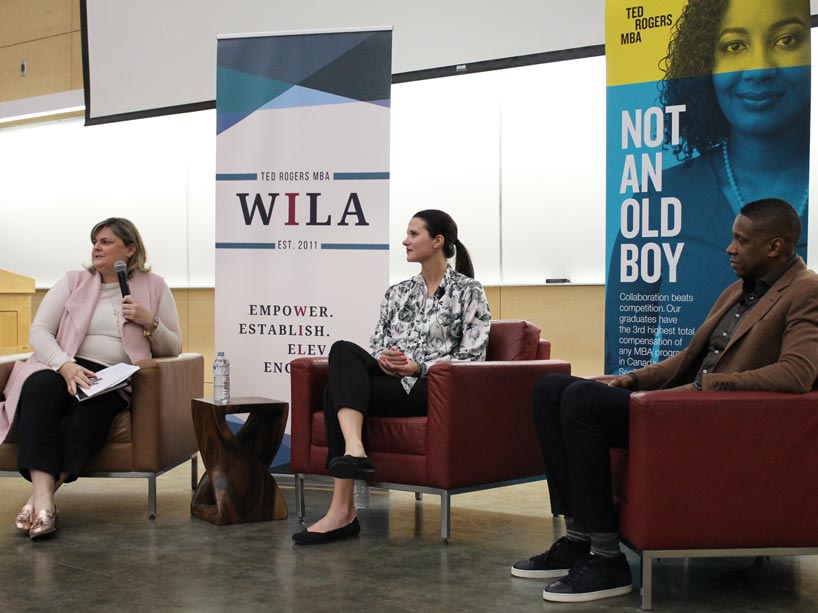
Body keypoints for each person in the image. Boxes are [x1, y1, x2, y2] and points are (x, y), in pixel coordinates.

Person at [516, 199, 818, 602]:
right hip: (675, 409)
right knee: (552, 389)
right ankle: (577, 538)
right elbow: (689, 356)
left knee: (582, 401)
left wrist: (712, 387)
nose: (729, 248)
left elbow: (797, 373)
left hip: (709, 420)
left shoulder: (806, 291)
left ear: (775, 247)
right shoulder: (737, 291)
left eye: (741, 241)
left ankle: (607, 560)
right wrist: (635, 378)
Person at [604, 0, 811, 373]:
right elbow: (623, 354)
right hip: (676, 406)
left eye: (785, 39)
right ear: (706, 65)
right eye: (734, 46)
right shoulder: (657, 198)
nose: (760, 69)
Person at [292, 209, 491, 545]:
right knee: (342, 351)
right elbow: (378, 344)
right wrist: (385, 358)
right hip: (392, 381)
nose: (405, 240)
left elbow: (473, 356)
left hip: (431, 388)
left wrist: (418, 367)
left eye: (414, 234)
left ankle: (341, 512)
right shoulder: (397, 293)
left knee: (332, 392)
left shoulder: (468, 291)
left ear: (438, 241)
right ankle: (354, 451)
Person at [0, 218, 182, 539]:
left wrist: (149, 321)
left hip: (113, 377)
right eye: (95, 241)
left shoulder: (154, 286)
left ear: (130, 249)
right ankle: (44, 501)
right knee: (38, 389)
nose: (96, 247)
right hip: (64, 366)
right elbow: (40, 332)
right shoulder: (72, 281)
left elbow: (173, 347)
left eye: (106, 242)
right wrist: (64, 365)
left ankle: (40, 501)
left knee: (92, 414)